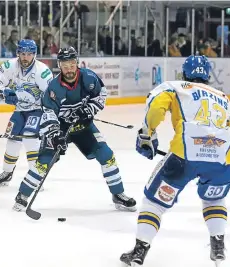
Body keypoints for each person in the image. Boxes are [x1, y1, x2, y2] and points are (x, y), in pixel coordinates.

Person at [120, 55, 230, 266]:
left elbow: (156, 109)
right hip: (223, 158)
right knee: (213, 199)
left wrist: (147, 136)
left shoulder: (175, 86)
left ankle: (140, 250)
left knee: (154, 202)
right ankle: (218, 246)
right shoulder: (222, 96)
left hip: (185, 155)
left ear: (183, 73)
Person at [13, 47, 137, 212]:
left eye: (72, 64)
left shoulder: (89, 77)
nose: (69, 69)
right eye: (65, 65)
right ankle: (23, 195)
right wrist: (55, 135)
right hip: (60, 127)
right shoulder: (53, 88)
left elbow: (101, 94)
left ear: (76, 63)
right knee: (43, 162)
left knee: (106, 155)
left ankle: (118, 194)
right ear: (60, 66)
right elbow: (48, 113)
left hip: (82, 125)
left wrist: (89, 110)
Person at [0, 39, 53, 188]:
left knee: (30, 139)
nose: (25, 57)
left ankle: (35, 176)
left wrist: (50, 117)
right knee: (12, 140)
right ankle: (7, 173)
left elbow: (51, 95)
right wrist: (4, 91)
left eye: (29, 54)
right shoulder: (10, 65)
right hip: (19, 110)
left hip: (36, 111)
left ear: (35, 54)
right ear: (18, 53)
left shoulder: (42, 71)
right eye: (22, 54)